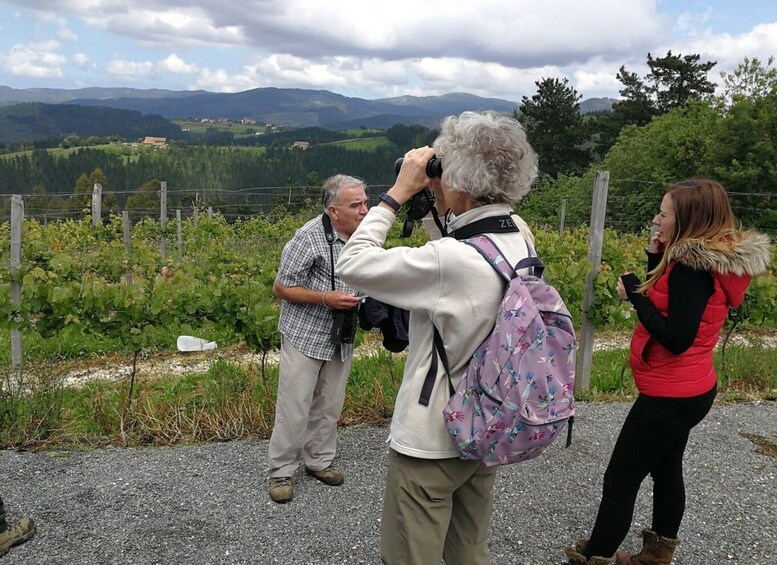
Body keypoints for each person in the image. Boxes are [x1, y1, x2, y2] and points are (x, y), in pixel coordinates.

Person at [336, 111, 538, 565]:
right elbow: (456, 251)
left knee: (411, 555)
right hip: (487, 420)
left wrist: (395, 196)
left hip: (433, 438)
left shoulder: (450, 261)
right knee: (468, 550)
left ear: (458, 180)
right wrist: (436, 202)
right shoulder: (519, 235)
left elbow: (352, 265)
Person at [564, 179, 771, 565]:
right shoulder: (703, 260)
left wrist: (636, 296)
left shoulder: (691, 270)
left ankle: (595, 557)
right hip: (692, 388)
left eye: (664, 213)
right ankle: (657, 555)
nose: (656, 219)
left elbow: (676, 337)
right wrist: (652, 256)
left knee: (619, 482)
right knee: (666, 469)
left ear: (688, 220)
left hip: (669, 396)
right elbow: (667, 296)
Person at [267, 174, 368, 504]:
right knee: (295, 405)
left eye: (365, 202)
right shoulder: (308, 237)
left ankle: (319, 461)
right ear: (333, 211)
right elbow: (281, 288)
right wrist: (326, 298)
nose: (365, 210)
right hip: (305, 334)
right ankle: (281, 471)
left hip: (342, 335)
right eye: (356, 205)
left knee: (329, 403)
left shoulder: (365, 237)